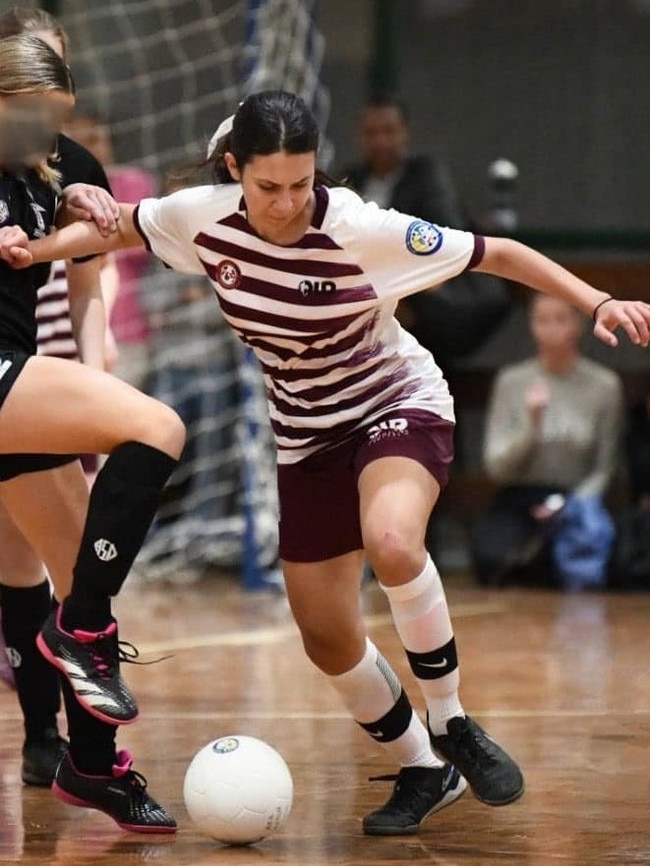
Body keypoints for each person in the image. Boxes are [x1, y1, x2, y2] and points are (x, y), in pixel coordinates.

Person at [3, 90, 650, 838]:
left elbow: (495, 253)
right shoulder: (198, 215)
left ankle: (454, 721)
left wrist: (598, 300)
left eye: (301, 184)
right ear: (235, 172)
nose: (285, 204)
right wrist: (34, 249)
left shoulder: (360, 227)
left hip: (392, 400)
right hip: (305, 432)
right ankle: (422, 767)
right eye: (267, 186)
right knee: (327, 635)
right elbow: (113, 236)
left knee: (395, 541)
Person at [0, 33, 184, 832]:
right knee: (160, 424)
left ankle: (93, 765)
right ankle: (69, 651)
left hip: (17, 378)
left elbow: (90, 264)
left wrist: (72, 207)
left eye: (58, 118)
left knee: (84, 579)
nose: (48, 131)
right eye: (32, 115)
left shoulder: (51, 169)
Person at [0, 4, 117, 790]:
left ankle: (52, 740)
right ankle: (92, 757)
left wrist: (96, 396)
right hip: (12, 376)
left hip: (31, 372)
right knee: (70, 573)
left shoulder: (69, 162)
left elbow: (87, 295)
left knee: (23, 562)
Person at [342, 95, 510, 370]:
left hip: (421, 290)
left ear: (404, 133)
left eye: (389, 131)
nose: (381, 141)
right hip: (367, 291)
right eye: (372, 133)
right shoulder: (350, 179)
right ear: (359, 137)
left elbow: (443, 230)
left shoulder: (424, 172)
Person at [471, 294, 623, 590]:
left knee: (605, 564)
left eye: (561, 319)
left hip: (575, 498)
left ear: (578, 325)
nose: (552, 329)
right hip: (520, 496)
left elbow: (604, 468)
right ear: (531, 326)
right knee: (491, 560)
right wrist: (532, 424)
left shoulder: (605, 386)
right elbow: (497, 467)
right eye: (542, 320)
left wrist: (566, 504)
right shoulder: (511, 381)